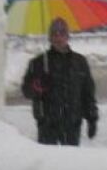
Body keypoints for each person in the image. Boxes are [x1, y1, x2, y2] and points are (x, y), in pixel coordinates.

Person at [21, 17, 99, 146]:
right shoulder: (38, 63)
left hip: (72, 123)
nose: (58, 38)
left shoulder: (79, 62)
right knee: (48, 163)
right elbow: (26, 91)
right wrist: (38, 86)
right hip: (47, 124)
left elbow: (88, 93)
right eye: (54, 34)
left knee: (68, 163)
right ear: (50, 38)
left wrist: (92, 118)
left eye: (62, 33)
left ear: (67, 36)